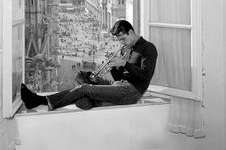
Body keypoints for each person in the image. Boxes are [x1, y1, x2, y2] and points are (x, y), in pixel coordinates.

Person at [21, 20, 158, 110]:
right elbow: (120, 75)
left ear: (131, 32)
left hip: (132, 91)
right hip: (118, 86)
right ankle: (90, 101)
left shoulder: (148, 48)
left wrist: (124, 63)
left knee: (84, 88)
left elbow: (145, 76)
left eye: (123, 39)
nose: (122, 43)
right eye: (119, 40)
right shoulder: (127, 48)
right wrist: (113, 71)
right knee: (82, 75)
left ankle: (41, 101)